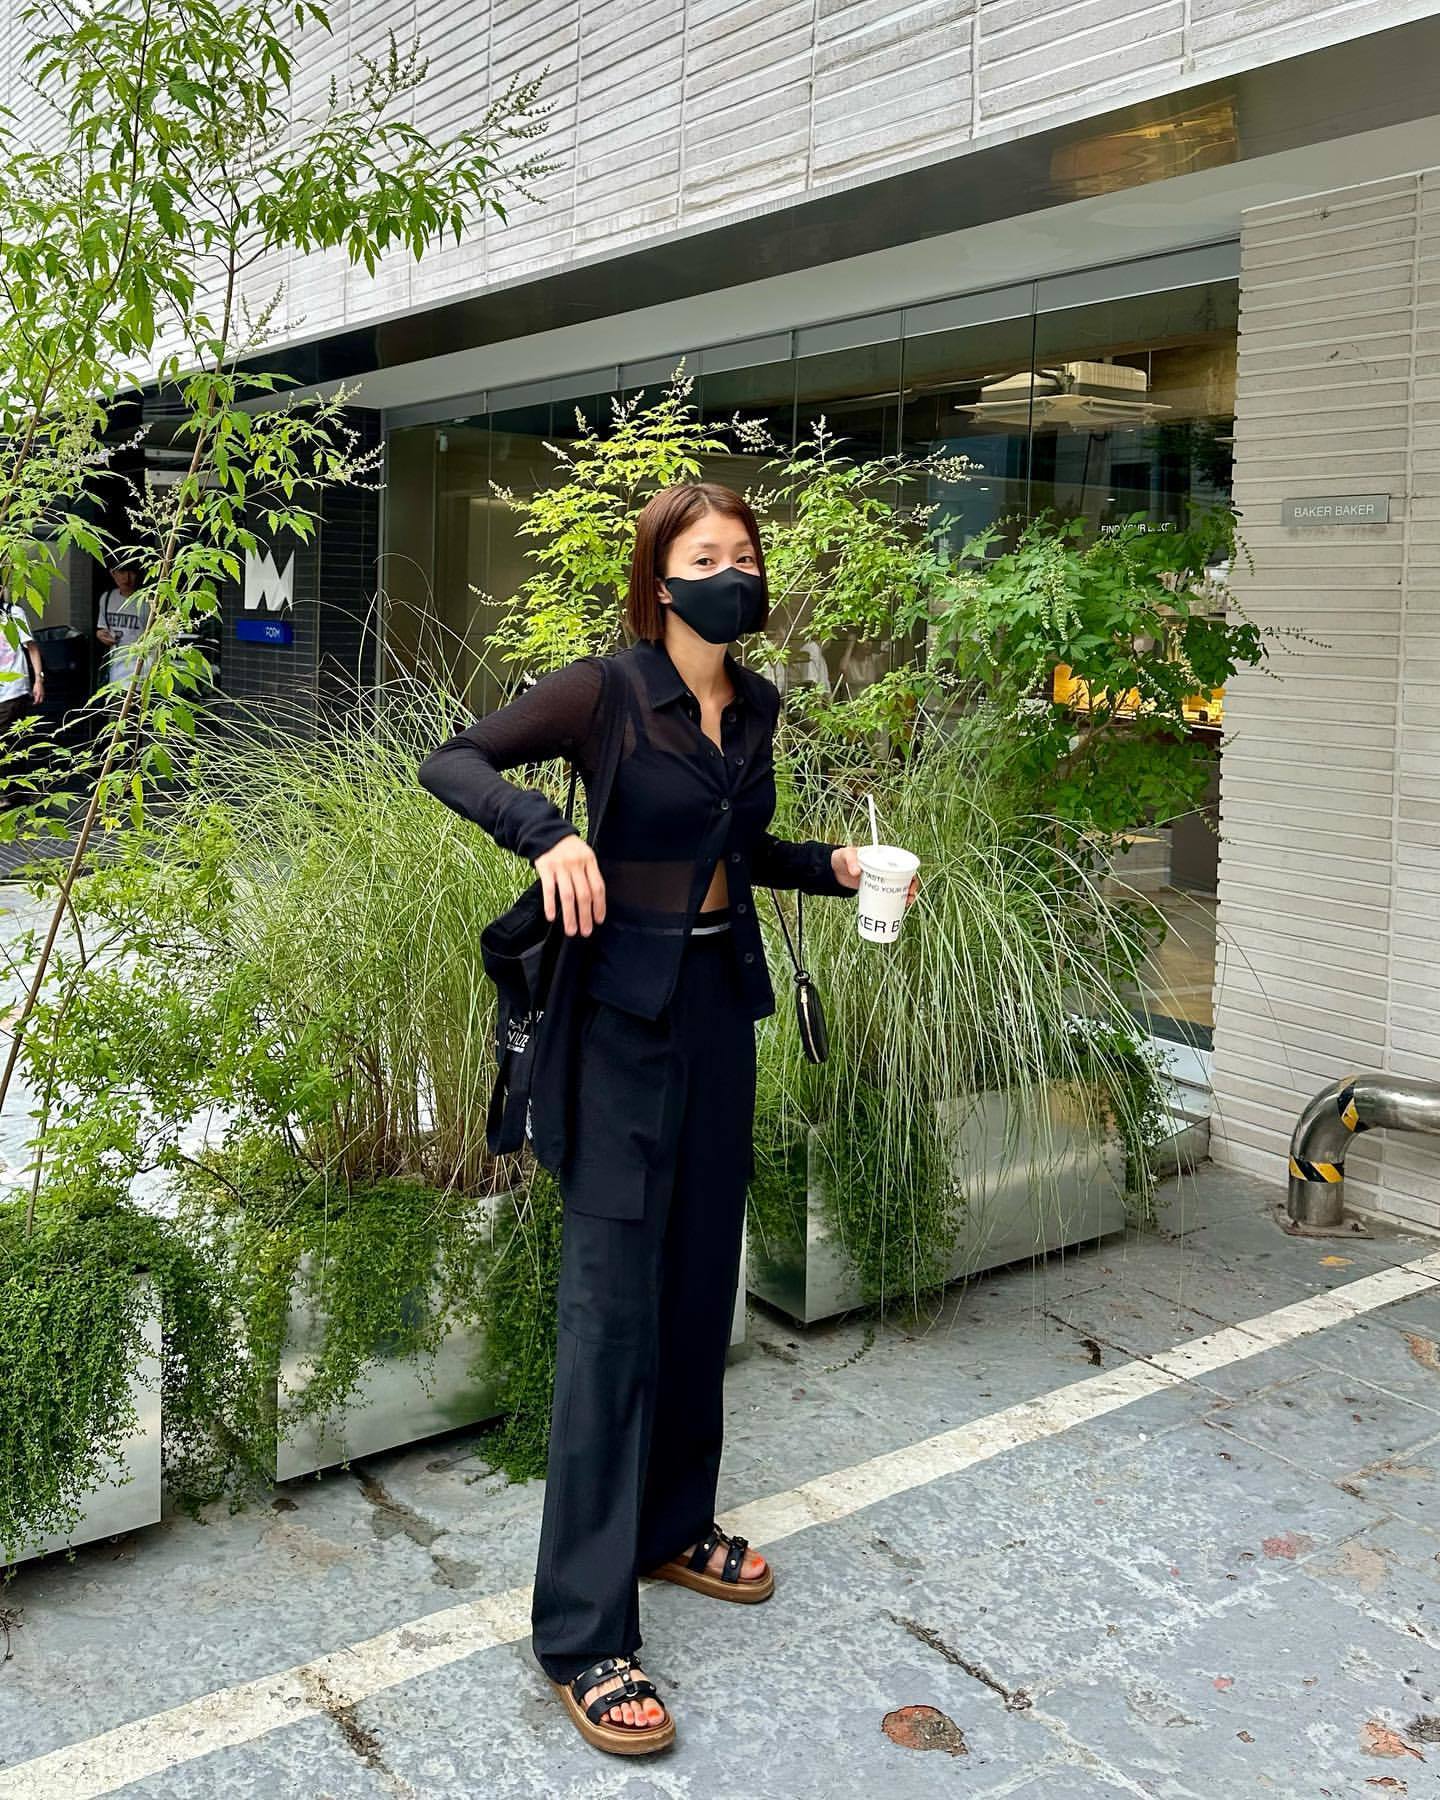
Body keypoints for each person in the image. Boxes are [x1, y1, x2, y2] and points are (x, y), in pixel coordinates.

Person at [417, 481, 919, 1756]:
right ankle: (584, 1634)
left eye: (744, 554)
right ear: (660, 578)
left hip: (715, 1010)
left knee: (701, 1284)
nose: (731, 573)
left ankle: (672, 1529)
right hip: (615, 1028)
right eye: (706, 556)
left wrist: (835, 868)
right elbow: (452, 759)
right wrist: (546, 835)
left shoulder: (756, 705)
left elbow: (737, 853)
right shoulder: (604, 693)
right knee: (609, 1316)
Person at [0, 593, 44, 802]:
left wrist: (38, 680)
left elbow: (31, 647)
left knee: (6, 738)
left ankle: (9, 792)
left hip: (13, 688)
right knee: (13, 741)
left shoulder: (13, 613)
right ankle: (18, 791)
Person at [95, 559, 153, 700]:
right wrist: (101, 635)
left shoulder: (148, 601)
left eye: (131, 572)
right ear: (113, 573)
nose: (126, 578)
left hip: (143, 672)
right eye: (121, 572)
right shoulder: (107, 598)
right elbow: (102, 628)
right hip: (116, 674)